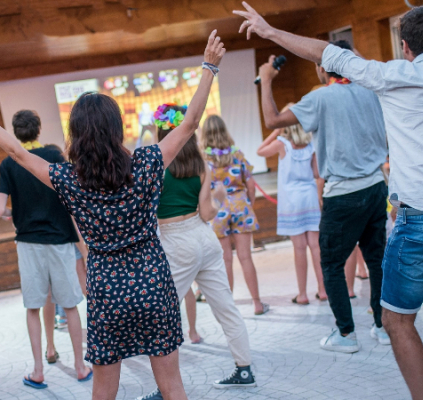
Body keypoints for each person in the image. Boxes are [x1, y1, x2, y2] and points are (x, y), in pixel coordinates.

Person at [233, 2, 423, 398]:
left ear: (404, 46)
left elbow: (324, 54)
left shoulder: (390, 75)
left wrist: (269, 31)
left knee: (395, 322)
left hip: (421, 223)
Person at [0, 30, 225, 399]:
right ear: (117, 127)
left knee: (104, 390)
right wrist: (208, 68)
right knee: (171, 385)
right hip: (153, 282)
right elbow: (189, 123)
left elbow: (19, 153)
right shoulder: (148, 162)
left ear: (76, 135)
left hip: (107, 292)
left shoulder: (68, 179)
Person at [254, 36, 389, 351]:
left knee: (330, 263)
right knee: (377, 259)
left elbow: (273, 120)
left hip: (343, 194)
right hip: (375, 187)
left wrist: (267, 81)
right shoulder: (371, 89)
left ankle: (345, 334)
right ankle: (383, 326)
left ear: (320, 67)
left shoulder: (321, 98)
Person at [136, 104, 257, 400]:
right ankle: (244, 369)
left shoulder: (154, 163)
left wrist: (149, 134)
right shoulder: (200, 162)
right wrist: (216, 198)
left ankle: (165, 389)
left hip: (175, 241)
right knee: (225, 306)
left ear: (162, 130)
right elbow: (206, 213)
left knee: (162, 317)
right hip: (204, 237)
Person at [0, 110, 91, 388]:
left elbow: (0, 208)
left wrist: (12, 211)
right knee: (71, 306)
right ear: (39, 129)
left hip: (29, 243)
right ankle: (79, 366)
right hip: (61, 241)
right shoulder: (54, 157)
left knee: (33, 307)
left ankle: (39, 370)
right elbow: (71, 197)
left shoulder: (7, 164)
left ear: (15, 133)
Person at [201, 115, 269, 315]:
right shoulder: (237, 154)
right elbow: (250, 184)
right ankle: (257, 303)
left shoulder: (203, 158)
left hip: (218, 208)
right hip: (240, 206)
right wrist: (248, 204)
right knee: (245, 257)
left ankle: (230, 306)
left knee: (225, 260)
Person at [256, 114, 326, 304]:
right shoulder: (311, 144)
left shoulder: (282, 144)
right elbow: (317, 173)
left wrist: (276, 131)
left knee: (299, 248)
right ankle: (322, 289)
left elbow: (260, 151)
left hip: (291, 201)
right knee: (315, 245)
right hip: (309, 197)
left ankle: (302, 294)